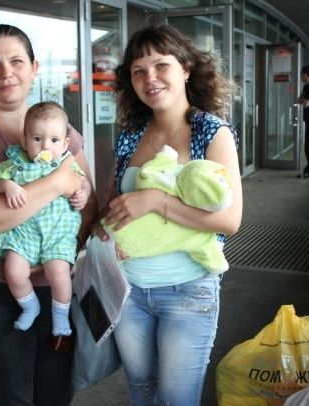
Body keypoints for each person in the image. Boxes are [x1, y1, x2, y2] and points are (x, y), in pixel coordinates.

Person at [0, 24, 97, 405]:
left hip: (55, 288)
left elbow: (90, 201)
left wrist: (62, 252)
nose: (6, 73)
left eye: (16, 61)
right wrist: (57, 183)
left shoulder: (61, 128)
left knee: (56, 396)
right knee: (12, 398)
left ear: (34, 68)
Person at [94, 25, 243, 405]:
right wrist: (104, 233)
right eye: (138, 71)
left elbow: (230, 221)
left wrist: (155, 201)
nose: (150, 78)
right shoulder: (131, 133)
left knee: (177, 399)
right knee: (141, 389)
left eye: (161, 65)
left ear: (186, 69)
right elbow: (113, 205)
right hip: (128, 289)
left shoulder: (211, 132)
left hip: (188, 289)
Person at [0, 101, 90, 339]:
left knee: (59, 274)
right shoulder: (14, 163)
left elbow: (83, 182)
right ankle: (30, 306)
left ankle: (60, 316)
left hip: (57, 233)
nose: (45, 146)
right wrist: (8, 186)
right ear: (25, 141)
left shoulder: (67, 163)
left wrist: (83, 194)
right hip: (23, 233)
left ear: (65, 144)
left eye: (54, 140)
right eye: (37, 139)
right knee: (13, 272)